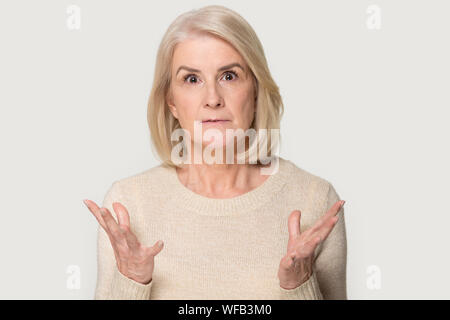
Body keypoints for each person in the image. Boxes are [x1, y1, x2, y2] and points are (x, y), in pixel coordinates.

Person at [83, 5, 347, 300]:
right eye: (192, 79)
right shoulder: (129, 204)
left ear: (256, 91)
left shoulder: (315, 199)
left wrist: (299, 287)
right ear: (171, 101)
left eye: (229, 76)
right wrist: (131, 282)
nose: (212, 99)